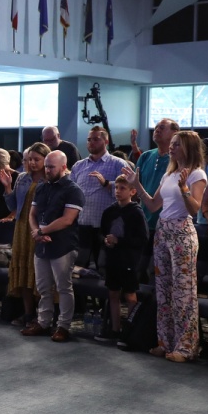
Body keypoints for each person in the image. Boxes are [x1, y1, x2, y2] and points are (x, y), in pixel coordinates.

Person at [124, 130, 207, 362]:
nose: (171, 147)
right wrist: (136, 185)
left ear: (189, 148)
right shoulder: (169, 174)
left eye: (177, 144)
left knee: (183, 292)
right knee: (163, 290)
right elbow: (152, 205)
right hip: (163, 230)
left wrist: (185, 190)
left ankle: (186, 347)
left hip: (182, 232)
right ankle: (165, 342)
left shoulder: (197, 174)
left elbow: (195, 209)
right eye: (172, 144)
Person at [22, 150, 84, 343]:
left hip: (63, 245)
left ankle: (63, 326)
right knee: (43, 287)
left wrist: (42, 231)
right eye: (46, 166)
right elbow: (32, 214)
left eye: (51, 167)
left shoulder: (73, 190)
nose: (47, 170)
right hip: (42, 243)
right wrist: (37, 232)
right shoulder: (42, 187)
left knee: (63, 287)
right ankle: (43, 322)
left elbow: (67, 220)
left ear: (63, 167)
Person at [69, 126, 131, 268]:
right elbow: (71, 193)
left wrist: (107, 184)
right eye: (89, 139)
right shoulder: (79, 166)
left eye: (96, 139)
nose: (91, 142)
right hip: (83, 223)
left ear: (106, 141)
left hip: (106, 226)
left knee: (104, 266)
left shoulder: (118, 164)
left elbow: (130, 189)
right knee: (79, 266)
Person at [96, 176, 149, 341]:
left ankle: (131, 331)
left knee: (130, 295)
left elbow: (143, 239)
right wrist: (106, 241)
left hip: (128, 260)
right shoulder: (109, 211)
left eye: (122, 188)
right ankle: (115, 329)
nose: (118, 191)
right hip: (112, 259)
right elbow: (102, 232)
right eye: (116, 187)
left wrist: (119, 241)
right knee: (113, 293)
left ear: (132, 191)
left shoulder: (136, 212)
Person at [3, 142, 49, 327]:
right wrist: (7, 187)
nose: (32, 163)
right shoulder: (22, 178)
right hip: (22, 227)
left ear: (46, 160)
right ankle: (28, 313)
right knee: (23, 272)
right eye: (29, 159)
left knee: (39, 273)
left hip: (41, 227)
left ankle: (43, 315)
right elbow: (13, 206)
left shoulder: (50, 180)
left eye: (37, 159)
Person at [134, 119, 178, 232]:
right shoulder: (145, 156)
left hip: (169, 224)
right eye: (156, 127)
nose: (157, 130)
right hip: (144, 222)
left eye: (162, 128)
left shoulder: (178, 160)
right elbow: (135, 189)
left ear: (175, 133)